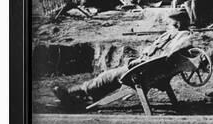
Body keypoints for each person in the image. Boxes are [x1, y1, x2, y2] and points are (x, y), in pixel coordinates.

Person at [52, 10, 192, 105]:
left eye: (171, 23)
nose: (169, 26)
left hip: (145, 70)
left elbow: (169, 54)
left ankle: (72, 93)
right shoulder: (174, 34)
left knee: (107, 77)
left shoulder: (183, 36)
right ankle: (82, 95)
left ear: (178, 24)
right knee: (109, 78)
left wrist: (140, 62)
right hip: (146, 67)